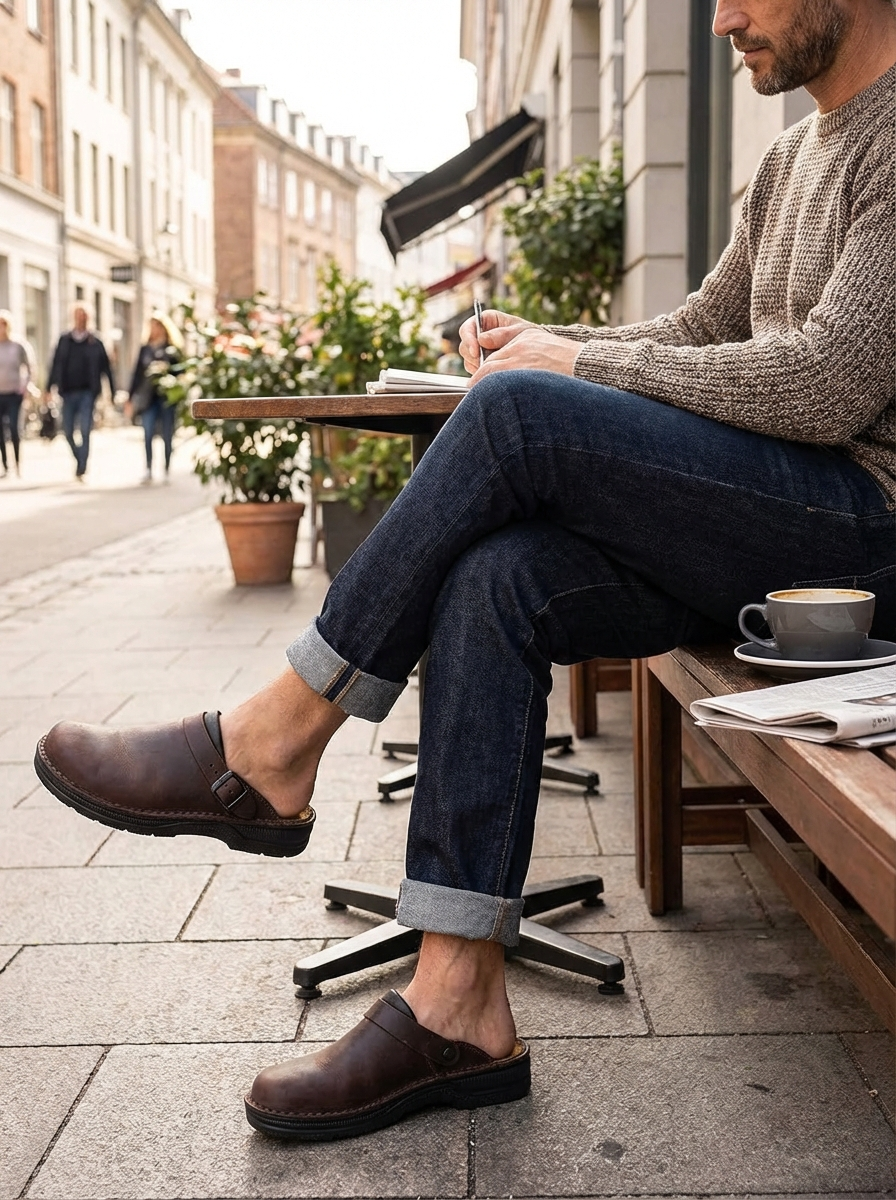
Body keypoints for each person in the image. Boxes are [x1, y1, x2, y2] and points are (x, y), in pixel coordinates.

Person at [33, 0, 895, 1143]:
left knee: (520, 412)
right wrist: (561, 344)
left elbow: (825, 388)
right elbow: (697, 332)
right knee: (497, 576)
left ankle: (273, 740)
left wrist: (566, 368)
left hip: (857, 537)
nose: (724, 15)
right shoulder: (790, 155)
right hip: (758, 533)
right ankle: (458, 1002)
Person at [47, 304, 115, 481]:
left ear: (88, 318)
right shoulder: (64, 340)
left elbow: (107, 369)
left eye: (84, 315)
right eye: (78, 315)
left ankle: (82, 466)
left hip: (87, 393)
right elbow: (55, 365)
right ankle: (79, 458)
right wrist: (49, 388)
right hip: (67, 392)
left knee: (85, 429)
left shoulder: (95, 342)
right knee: (67, 430)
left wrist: (112, 393)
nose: (81, 319)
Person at [127, 313, 183, 485]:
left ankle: (166, 468)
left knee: (167, 433)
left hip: (167, 398)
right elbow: (136, 374)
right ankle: (148, 468)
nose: (154, 329)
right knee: (148, 432)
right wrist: (129, 398)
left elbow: (181, 372)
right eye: (151, 326)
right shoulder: (145, 349)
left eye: (157, 325)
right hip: (148, 399)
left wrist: (168, 373)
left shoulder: (172, 350)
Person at [0, 310, 31, 478]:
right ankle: (5, 465)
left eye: (2, 325)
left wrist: (25, 386)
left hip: (14, 393)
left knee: (13, 427)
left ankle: (18, 463)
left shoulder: (17, 345)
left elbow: (29, 367)